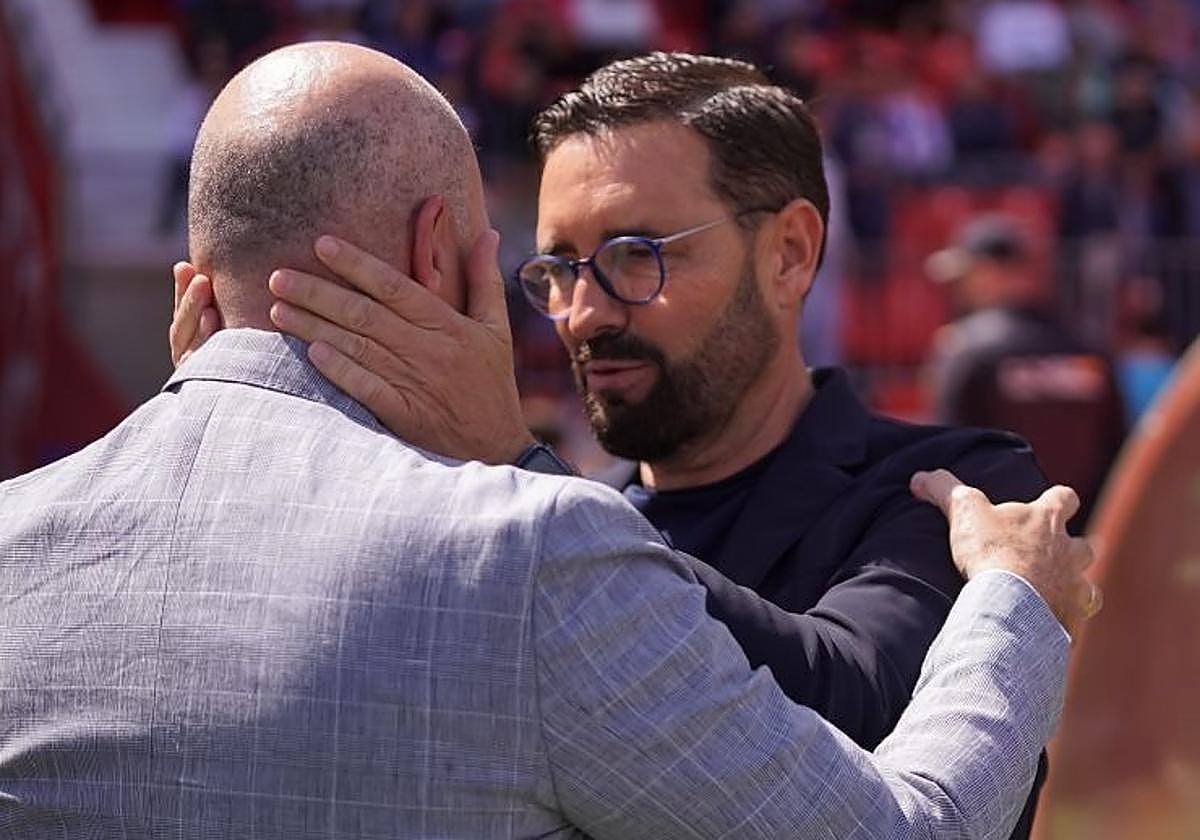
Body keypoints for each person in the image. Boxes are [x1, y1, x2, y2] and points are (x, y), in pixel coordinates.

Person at [0, 42, 1098, 838]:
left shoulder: (955, 491)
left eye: (635, 255)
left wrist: (516, 466)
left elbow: (860, 713)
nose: (582, 312)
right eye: (558, 268)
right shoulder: (528, 520)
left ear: (791, 253)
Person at [926, 213, 1127, 529]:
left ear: (991, 272)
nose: (960, 291)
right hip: (1083, 531)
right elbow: (1118, 450)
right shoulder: (1088, 349)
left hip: (996, 535)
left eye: (966, 277)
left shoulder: (965, 349)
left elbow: (947, 448)